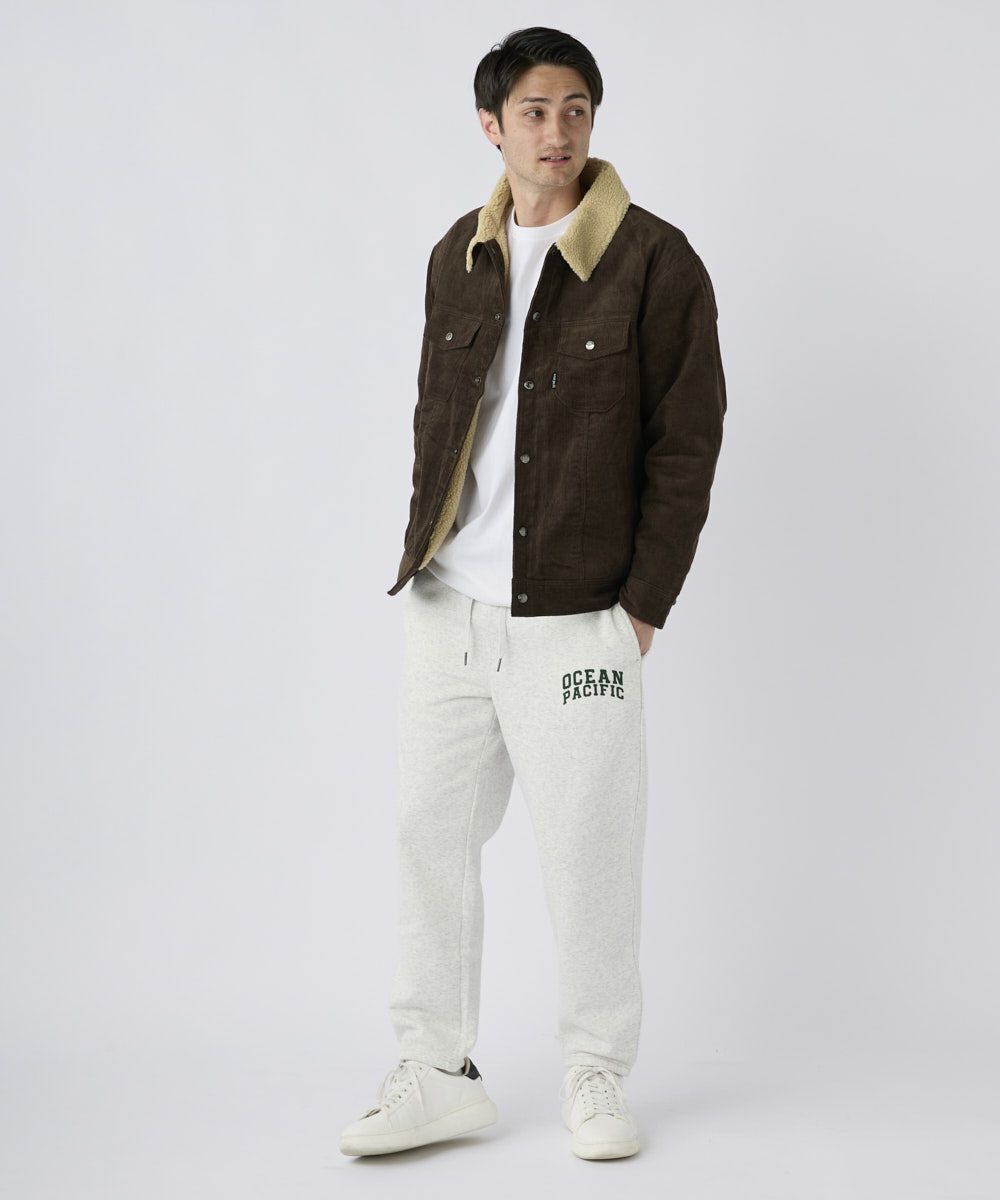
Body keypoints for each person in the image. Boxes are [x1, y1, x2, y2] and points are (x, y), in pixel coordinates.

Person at [339, 25, 727, 1161]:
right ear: (491, 125)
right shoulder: (456, 255)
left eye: (575, 110)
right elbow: (436, 417)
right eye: (534, 111)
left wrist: (640, 605)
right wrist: (424, 549)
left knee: (590, 852)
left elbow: (687, 443)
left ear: (592, 121)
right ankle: (436, 1069)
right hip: (447, 609)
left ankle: (596, 1073)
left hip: (580, 618)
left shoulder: (655, 260)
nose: (557, 132)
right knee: (427, 837)